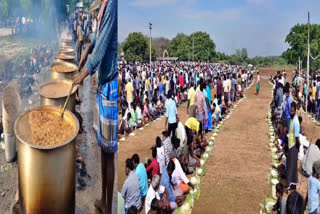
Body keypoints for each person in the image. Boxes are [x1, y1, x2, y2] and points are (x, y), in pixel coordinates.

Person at [72, 1, 117, 213]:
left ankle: (108, 206)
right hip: (104, 87)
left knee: (108, 152)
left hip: (111, 87)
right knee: (103, 148)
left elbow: (101, 49)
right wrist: (85, 51)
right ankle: (103, 200)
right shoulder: (103, 6)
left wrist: (82, 75)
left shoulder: (112, 5)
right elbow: (97, 41)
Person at [286, 102, 300, 189]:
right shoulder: (292, 118)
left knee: (292, 166)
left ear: (295, 111)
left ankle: (290, 185)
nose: (290, 113)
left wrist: (298, 146)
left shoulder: (296, 122)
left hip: (294, 146)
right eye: (290, 111)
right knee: (291, 165)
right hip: (291, 144)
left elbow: (297, 137)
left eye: (292, 111)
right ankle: (291, 183)